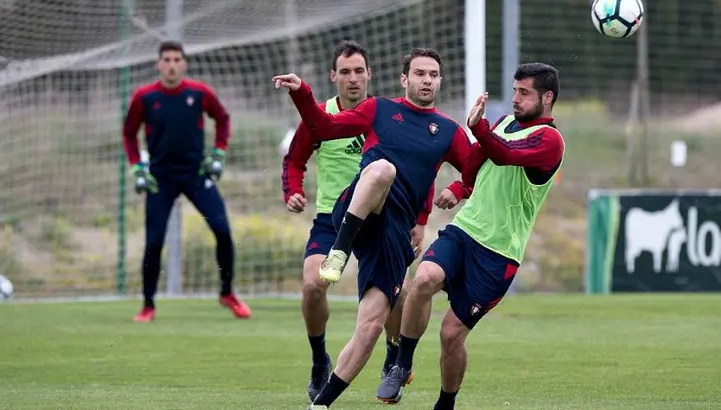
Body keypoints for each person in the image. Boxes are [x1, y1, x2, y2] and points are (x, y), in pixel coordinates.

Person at [273, 47, 472, 409]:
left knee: (370, 326)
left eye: (433, 75)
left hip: (393, 232)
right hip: (354, 211)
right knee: (382, 170)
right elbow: (323, 127)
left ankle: (321, 404)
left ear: (440, 80)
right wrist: (302, 92)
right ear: (404, 79)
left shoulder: (447, 131)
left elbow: (477, 173)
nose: (426, 80)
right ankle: (339, 252)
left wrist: (456, 190)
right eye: (419, 73)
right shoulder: (380, 109)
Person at [376, 62, 565, 409]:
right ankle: (401, 363)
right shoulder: (507, 122)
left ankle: (445, 403)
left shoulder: (550, 140)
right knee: (423, 278)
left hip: (498, 253)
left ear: (547, 97)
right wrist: (462, 185)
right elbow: (479, 157)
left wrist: (478, 127)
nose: (516, 99)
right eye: (514, 91)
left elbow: (505, 154)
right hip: (465, 230)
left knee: (450, 336)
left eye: (524, 93)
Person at [122, 40, 251, 323]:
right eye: (166, 59)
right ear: (158, 64)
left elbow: (223, 119)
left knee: (222, 230)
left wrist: (218, 152)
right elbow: (129, 134)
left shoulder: (199, 93)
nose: (171, 64)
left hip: (196, 174)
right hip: (160, 178)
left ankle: (227, 293)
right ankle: (148, 305)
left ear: (184, 63)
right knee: (154, 242)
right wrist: (137, 168)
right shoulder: (144, 97)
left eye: (176, 59)